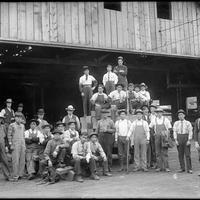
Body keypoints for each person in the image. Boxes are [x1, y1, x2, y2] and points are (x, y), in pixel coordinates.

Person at [149, 108, 172, 172]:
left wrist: (167, 136)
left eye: (160, 112)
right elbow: (150, 127)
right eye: (158, 112)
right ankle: (159, 167)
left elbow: (170, 128)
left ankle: (166, 167)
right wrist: (153, 133)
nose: (159, 114)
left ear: (162, 113)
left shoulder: (166, 120)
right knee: (158, 152)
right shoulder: (154, 120)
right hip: (157, 138)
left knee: (165, 152)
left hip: (164, 137)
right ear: (156, 113)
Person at [173, 109, 193, 174]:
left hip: (186, 137)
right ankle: (182, 168)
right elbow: (174, 132)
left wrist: (189, 140)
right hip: (179, 138)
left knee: (187, 154)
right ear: (178, 116)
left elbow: (190, 131)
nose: (180, 116)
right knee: (180, 154)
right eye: (179, 115)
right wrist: (176, 140)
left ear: (184, 115)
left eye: (181, 115)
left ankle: (189, 168)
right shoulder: (176, 123)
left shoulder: (188, 123)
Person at [7, 112, 26, 181]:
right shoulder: (12, 125)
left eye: (20, 118)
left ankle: (21, 174)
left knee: (22, 160)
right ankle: (15, 175)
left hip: (22, 144)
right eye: (17, 117)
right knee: (15, 160)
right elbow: (9, 135)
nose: (19, 119)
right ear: (15, 118)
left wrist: (24, 145)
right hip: (15, 144)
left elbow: (23, 135)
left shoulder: (23, 126)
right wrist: (10, 144)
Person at [0, 113, 14, 181]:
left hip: (2, 145)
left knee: (5, 160)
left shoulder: (3, 127)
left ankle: (8, 176)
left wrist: (6, 146)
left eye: (0, 119)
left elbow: (5, 138)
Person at [149, 104, 157, 168]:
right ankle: (152, 162)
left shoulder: (157, 116)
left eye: (153, 108)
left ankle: (158, 163)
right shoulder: (149, 116)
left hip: (156, 132)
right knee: (152, 148)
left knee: (157, 148)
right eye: (151, 109)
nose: (152, 110)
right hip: (150, 133)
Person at [194, 111, 200, 176]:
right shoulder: (197, 121)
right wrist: (196, 142)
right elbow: (195, 131)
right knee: (199, 156)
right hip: (199, 140)